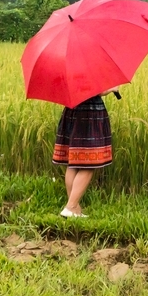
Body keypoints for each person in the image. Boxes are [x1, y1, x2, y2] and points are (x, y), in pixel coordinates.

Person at [52, 87, 119, 217]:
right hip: (89, 113)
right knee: (89, 164)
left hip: (72, 110)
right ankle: (71, 207)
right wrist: (112, 88)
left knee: (74, 162)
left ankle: (74, 208)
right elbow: (97, 89)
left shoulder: (70, 66)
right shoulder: (92, 66)